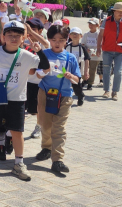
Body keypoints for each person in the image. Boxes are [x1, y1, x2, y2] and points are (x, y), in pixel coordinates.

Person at [0, 20, 50, 182]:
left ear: (24, 38)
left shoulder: (27, 56)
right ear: (3, 37)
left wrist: (39, 50)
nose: (14, 38)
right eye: (10, 35)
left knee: (17, 131)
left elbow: (45, 66)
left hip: (17, 100)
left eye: (18, 35)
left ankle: (19, 163)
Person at [35, 23, 82, 176]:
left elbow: (77, 80)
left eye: (61, 40)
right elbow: (38, 75)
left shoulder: (71, 58)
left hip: (65, 96)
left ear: (66, 40)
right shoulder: (44, 54)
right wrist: (44, 70)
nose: (57, 42)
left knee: (59, 128)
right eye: (54, 39)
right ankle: (46, 148)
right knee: (45, 124)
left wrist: (71, 76)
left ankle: (57, 160)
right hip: (45, 94)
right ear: (49, 39)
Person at [97, 1, 122, 100]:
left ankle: (115, 92)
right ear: (114, 11)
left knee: (118, 71)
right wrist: (98, 47)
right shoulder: (106, 20)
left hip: (121, 50)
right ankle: (106, 91)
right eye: (119, 11)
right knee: (106, 70)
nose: (121, 13)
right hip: (107, 49)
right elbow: (100, 34)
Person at [24, 18, 49, 137]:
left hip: (38, 82)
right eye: (27, 30)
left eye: (33, 30)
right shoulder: (21, 42)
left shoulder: (42, 44)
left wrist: (31, 32)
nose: (29, 32)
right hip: (24, 82)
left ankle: (38, 127)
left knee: (39, 108)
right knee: (22, 108)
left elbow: (47, 44)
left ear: (40, 31)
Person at [65, 27, 89, 107]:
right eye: (73, 34)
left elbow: (87, 59)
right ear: (69, 36)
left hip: (77, 70)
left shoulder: (82, 48)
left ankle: (80, 95)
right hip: (67, 69)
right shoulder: (66, 47)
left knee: (76, 85)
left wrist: (86, 71)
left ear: (81, 36)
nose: (74, 35)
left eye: (76, 34)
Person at [82, 18, 101, 90]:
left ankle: (90, 83)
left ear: (97, 25)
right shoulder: (86, 34)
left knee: (92, 69)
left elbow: (101, 44)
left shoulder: (99, 34)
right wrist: (85, 49)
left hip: (95, 55)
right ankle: (85, 80)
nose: (90, 26)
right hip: (87, 54)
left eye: (92, 24)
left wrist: (95, 51)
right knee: (85, 68)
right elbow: (83, 43)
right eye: (89, 24)